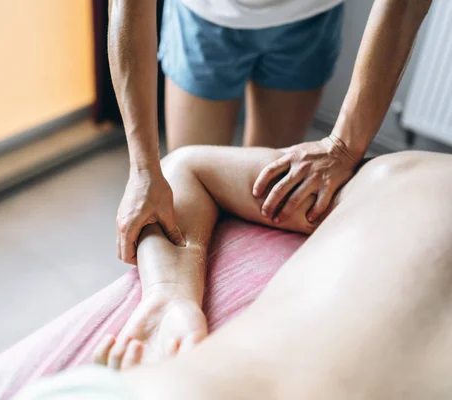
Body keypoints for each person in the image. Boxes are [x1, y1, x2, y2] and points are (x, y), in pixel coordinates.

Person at [13, 147, 452, 400]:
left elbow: (186, 168)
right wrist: (167, 297)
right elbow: (184, 171)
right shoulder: (405, 176)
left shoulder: (403, 174)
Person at [112, 0, 432, 265]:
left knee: (272, 197)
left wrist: (344, 146)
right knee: (183, 189)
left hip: (309, 16)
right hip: (204, 15)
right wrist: (143, 169)